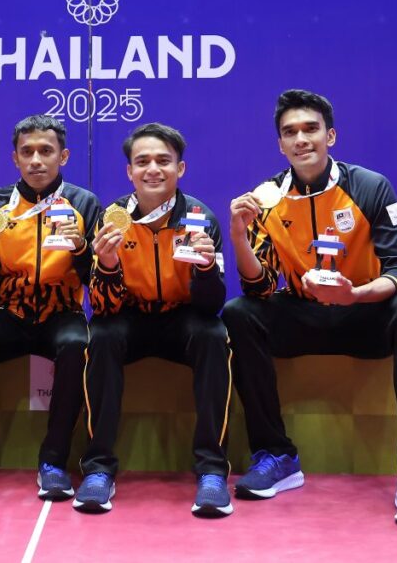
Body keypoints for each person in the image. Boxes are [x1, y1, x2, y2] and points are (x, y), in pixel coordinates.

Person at [223, 89, 397, 528]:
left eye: (311, 129)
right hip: (304, 313)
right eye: (290, 132)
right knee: (239, 313)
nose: (301, 139)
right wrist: (239, 237)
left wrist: (354, 294)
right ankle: (277, 455)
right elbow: (259, 286)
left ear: (331, 136)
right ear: (280, 144)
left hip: (365, 313)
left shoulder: (370, 186)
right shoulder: (266, 198)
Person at [74, 123, 233, 515]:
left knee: (214, 335)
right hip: (130, 318)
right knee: (101, 335)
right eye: (142, 161)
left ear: (181, 168)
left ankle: (212, 470)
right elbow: (103, 307)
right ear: (129, 171)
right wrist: (107, 264)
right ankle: (98, 469)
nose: (153, 169)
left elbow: (211, 305)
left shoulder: (200, 218)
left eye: (164, 160)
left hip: (183, 319)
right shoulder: (112, 220)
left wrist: (206, 269)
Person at [0, 114, 100, 500]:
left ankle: (53, 462)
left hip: (61, 313)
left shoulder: (84, 203)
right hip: (6, 312)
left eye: (46, 151)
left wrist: (81, 247)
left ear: (63, 156)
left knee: (76, 345)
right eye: (26, 152)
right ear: (14, 158)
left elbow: (98, 281)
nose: (36, 160)